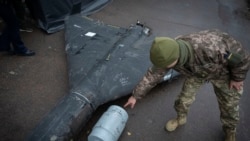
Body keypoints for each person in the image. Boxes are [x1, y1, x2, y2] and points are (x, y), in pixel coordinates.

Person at [124, 29, 250, 141]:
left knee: (229, 106)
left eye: (167, 65)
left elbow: (242, 59)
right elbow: (153, 74)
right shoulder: (167, 52)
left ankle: (230, 131)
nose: (163, 68)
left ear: (176, 57)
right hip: (197, 73)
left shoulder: (212, 47)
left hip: (223, 74)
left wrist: (237, 78)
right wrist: (135, 96)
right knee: (183, 100)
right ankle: (180, 118)